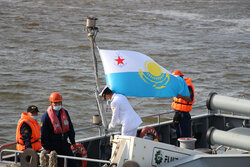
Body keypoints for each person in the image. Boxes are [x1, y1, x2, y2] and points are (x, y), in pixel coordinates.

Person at [41, 92, 77, 167]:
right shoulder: (46, 117)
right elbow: (44, 135)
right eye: (55, 103)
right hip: (53, 146)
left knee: (72, 163)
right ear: (51, 103)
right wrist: (46, 148)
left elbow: (70, 128)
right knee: (57, 164)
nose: (57, 105)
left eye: (59, 103)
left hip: (64, 144)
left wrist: (73, 142)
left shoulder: (65, 113)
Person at [171, 70, 195, 138]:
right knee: (178, 134)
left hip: (184, 115)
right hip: (177, 113)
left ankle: (186, 147)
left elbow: (190, 99)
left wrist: (181, 96)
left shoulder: (188, 87)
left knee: (184, 135)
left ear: (181, 78)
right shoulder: (176, 87)